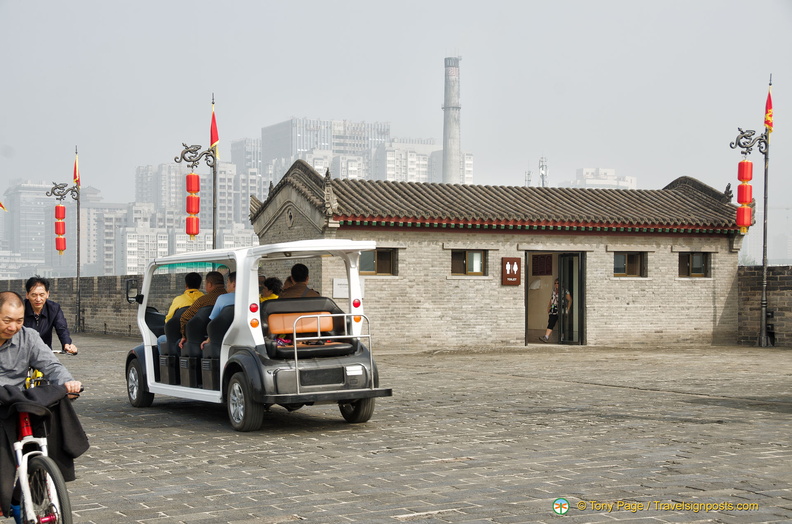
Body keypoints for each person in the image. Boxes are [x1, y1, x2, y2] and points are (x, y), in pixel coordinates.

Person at [0, 291, 86, 524]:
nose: (13, 327)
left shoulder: (29, 337)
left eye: (19, 321)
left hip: (16, 401)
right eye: (7, 320)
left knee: (52, 411)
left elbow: (52, 365)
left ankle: (33, 482)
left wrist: (68, 382)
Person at [23, 276, 78, 355]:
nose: (38, 299)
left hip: (44, 352)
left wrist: (67, 344)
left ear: (47, 294)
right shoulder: (19, 308)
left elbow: (62, 328)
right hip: (22, 352)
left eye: (42, 295)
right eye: (34, 295)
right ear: (27, 295)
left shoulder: (54, 308)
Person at [178, 271, 226, 350]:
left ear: (209, 284)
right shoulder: (230, 299)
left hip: (201, 339)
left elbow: (184, 317)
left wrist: (184, 336)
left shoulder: (203, 300)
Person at [539, 279, 571, 343]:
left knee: (562, 324)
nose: (556, 284)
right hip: (554, 308)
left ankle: (562, 338)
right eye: (555, 283)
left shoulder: (565, 291)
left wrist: (568, 309)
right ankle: (546, 337)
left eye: (558, 283)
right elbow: (551, 299)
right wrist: (548, 307)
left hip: (561, 308)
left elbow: (570, 300)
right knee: (551, 322)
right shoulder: (554, 291)